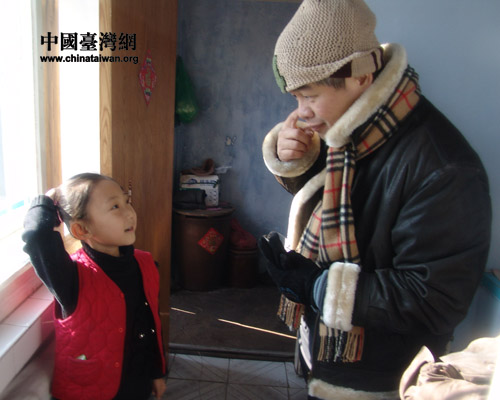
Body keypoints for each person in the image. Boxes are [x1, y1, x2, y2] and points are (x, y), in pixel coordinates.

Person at [259, 1, 492, 399]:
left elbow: (434, 299)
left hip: (384, 378)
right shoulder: (356, 130)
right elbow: (340, 205)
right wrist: (297, 160)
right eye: (295, 98)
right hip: (330, 353)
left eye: (309, 97)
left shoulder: (445, 168)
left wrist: (319, 288)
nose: (301, 114)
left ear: (361, 77)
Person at [22, 173, 167, 400]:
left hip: (136, 384)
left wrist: (156, 373)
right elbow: (38, 237)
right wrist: (46, 201)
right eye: (115, 207)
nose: (130, 213)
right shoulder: (70, 276)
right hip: (87, 390)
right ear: (82, 230)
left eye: (126, 201)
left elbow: (150, 325)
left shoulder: (146, 264)